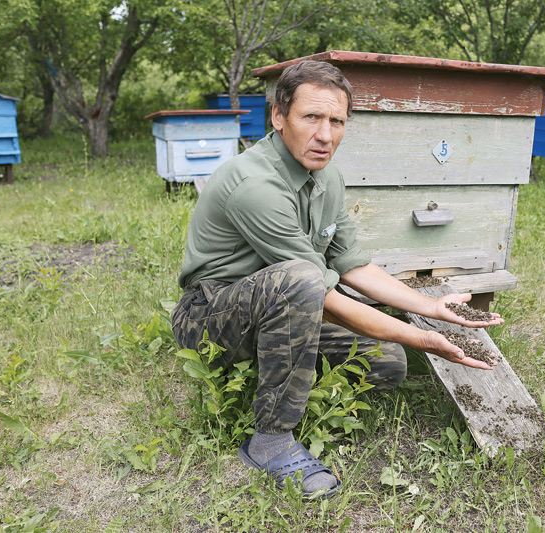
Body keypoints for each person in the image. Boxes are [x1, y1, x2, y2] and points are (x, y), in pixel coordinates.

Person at [171, 60, 503, 498]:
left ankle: (274, 370)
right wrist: (422, 338)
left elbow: (352, 264)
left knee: (386, 363)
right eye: (311, 117)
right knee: (304, 280)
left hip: (280, 314)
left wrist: (428, 307)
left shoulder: (326, 177)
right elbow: (320, 292)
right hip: (210, 321)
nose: (325, 135)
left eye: (337, 121)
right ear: (278, 115)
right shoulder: (254, 183)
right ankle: (269, 441)